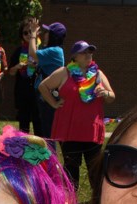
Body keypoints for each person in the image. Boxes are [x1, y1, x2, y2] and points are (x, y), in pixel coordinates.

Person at [39, 41, 115, 194]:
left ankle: (98, 203)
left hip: (91, 130)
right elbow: (43, 87)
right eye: (84, 52)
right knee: (71, 168)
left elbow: (112, 96)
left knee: (94, 169)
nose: (88, 55)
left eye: (90, 52)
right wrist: (54, 103)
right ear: (75, 56)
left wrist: (105, 93)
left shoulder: (98, 74)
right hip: (70, 129)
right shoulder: (64, 72)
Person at [28, 20, 67, 139]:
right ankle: (49, 156)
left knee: (49, 134)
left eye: (47, 32)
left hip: (48, 97)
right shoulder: (53, 51)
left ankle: (52, 156)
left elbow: (32, 53)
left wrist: (33, 34)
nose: (45, 35)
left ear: (53, 36)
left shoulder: (55, 51)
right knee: (45, 133)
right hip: (44, 96)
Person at [8, 16, 42, 134]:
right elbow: (11, 72)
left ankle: (41, 149)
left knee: (39, 123)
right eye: (25, 32)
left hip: (38, 91)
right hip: (23, 91)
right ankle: (23, 148)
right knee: (24, 124)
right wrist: (18, 66)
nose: (28, 34)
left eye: (30, 31)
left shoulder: (41, 49)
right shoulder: (18, 51)